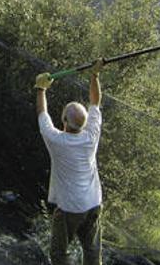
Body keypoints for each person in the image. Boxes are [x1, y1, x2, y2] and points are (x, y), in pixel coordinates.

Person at [34, 60, 104, 265]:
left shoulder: (56, 140)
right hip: (93, 204)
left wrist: (40, 88)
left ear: (64, 120)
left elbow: (42, 114)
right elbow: (95, 103)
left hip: (70, 210)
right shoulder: (91, 135)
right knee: (92, 253)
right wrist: (94, 75)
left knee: (58, 254)